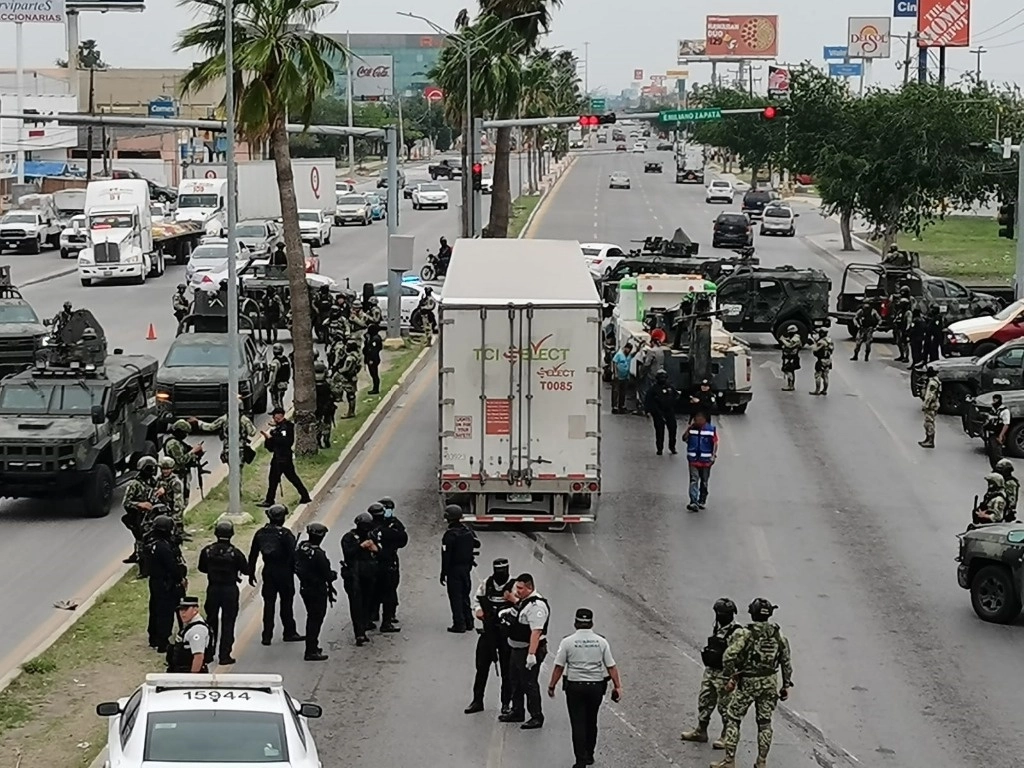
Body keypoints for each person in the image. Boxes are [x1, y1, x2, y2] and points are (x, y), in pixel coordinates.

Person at [712, 598, 794, 768]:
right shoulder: (778, 635)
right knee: (764, 723)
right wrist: (785, 685)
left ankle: (729, 761)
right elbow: (786, 662)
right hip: (769, 682)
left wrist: (730, 677)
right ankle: (761, 761)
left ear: (752, 613)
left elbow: (729, 655)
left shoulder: (745, 633)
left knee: (734, 719)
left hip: (748, 682)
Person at [547, 607, 622, 768]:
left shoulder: (567, 642)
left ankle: (580, 760)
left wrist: (552, 685)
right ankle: (589, 754)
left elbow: (559, 667)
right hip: (596, 687)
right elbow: (611, 667)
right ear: (591, 623)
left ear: (575, 623)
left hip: (575, 687)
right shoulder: (601, 642)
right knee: (591, 720)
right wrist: (618, 687)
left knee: (578, 723)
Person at [681, 598, 740, 749]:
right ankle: (701, 730)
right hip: (711, 672)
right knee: (704, 701)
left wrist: (733, 678)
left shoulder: (736, 632)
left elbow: (738, 657)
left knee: (725, 707)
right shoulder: (718, 628)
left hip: (724, 675)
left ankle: (726, 735)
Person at [247, 504, 305, 646]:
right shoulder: (285, 534)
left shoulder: (260, 533)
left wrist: (251, 573)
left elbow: (253, 554)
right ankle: (289, 632)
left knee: (269, 604)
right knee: (286, 603)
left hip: (268, 572)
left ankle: (267, 636)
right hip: (284, 572)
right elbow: (294, 555)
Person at [466, 557, 516, 715]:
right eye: (497, 570)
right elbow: (476, 600)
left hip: (506, 634)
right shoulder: (487, 583)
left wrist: (512, 600)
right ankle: (477, 701)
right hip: (488, 632)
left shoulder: (515, 585)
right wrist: (478, 610)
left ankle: (506, 704)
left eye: (503, 570)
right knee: (481, 668)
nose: (500, 573)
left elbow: (525, 605)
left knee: (507, 671)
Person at [499, 573, 549, 729]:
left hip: (528, 650)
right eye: (517, 587)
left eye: (520, 588)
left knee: (529, 683)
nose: (517, 591)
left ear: (530, 587)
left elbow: (536, 632)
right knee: (515, 681)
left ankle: (536, 716)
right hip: (516, 649)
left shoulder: (536, 607)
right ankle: (517, 711)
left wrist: (531, 655)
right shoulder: (524, 601)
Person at [197, 520, 248, 665]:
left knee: (211, 621)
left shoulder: (207, 551)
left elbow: (202, 568)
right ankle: (224, 655)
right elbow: (246, 569)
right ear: (232, 534)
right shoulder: (235, 553)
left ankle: (208, 653)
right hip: (230, 589)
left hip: (213, 589)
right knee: (228, 622)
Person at [294, 522, 337, 661]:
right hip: (317, 590)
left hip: (305, 588)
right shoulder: (318, 554)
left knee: (311, 617)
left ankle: (312, 647)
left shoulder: (301, 547)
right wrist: (333, 575)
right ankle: (311, 650)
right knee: (315, 619)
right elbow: (327, 574)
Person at [145, 515, 187, 653]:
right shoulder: (164, 547)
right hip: (166, 582)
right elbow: (172, 566)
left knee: (155, 609)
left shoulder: (150, 542)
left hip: (154, 581)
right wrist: (180, 579)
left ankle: (153, 637)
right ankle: (163, 642)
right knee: (166, 612)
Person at [341, 512, 380, 646]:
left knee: (368, 602)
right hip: (354, 576)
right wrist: (360, 546)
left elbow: (379, 552)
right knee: (356, 604)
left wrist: (375, 549)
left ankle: (365, 624)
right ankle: (359, 633)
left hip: (369, 575)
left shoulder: (372, 536)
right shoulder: (349, 538)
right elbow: (348, 553)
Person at [440, 504, 481, 633]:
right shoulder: (467, 531)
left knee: (455, 597)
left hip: (454, 570)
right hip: (466, 569)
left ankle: (459, 624)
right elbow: (477, 543)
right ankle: (469, 622)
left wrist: (443, 573)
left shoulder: (450, 535)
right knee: (465, 595)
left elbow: (446, 556)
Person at [260, 408, 312, 506]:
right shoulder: (277, 428)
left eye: (275, 415)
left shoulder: (286, 427)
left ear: (280, 415)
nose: (273, 418)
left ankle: (270, 500)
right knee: (275, 479)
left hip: (283, 458)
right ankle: (304, 496)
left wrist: (272, 437)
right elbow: (271, 447)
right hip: (278, 457)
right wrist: (268, 438)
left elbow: (286, 441)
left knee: (285, 478)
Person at [372, 498, 407, 632]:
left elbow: (403, 540)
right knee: (380, 590)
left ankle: (389, 616)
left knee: (390, 589)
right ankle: (376, 615)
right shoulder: (372, 524)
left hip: (387, 560)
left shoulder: (394, 524)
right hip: (378, 562)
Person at [190, 396, 257, 466]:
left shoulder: (224, 418)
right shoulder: (244, 420)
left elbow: (211, 427)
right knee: (239, 469)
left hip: (227, 449)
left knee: (231, 468)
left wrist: (199, 422)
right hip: (240, 449)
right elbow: (252, 433)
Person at [121, 455, 159, 564]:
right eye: (150, 468)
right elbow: (126, 502)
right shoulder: (135, 484)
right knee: (140, 538)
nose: (152, 471)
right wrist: (140, 504)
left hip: (151, 515)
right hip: (138, 516)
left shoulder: (153, 482)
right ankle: (141, 560)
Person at [165, 597, 215, 673]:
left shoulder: (197, 630)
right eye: (181, 610)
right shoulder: (188, 625)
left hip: (188, 673)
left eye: (186, 609)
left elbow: (198, 657)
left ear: (195, 610)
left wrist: (192, 678)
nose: (182, 613)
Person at [162, 419, 204, 507]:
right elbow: (181, 460)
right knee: (179, 501)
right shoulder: (173, 444)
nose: (186, 435)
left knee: (185, 497)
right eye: (185, 433)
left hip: (182, 475)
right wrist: (193, 451)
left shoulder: (178, 442)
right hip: (177, 475)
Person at [686, 411, 718, 512]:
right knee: (694, 480)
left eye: (699, 419)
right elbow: (684, 438)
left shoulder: (710, 430)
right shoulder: (692, 429)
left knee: (704, 481)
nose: (697, 421)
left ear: (704, 420)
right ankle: (693, 501)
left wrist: (713, 456)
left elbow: (715, 443)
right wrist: (689, 429)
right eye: (696, 419)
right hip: (693, 460)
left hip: (705, 461)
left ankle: (702, 500)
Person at [645, 369, 679, 456]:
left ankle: (672, 447)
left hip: (669, 412)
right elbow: (648, 400)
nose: (662, 379)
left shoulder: (670, 388)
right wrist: (648, 411)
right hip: (658, 412)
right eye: (661, 377)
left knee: (673, 430)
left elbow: (676, 397)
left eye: (664, 377)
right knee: (659, 432)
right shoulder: (653, 389)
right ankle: (659, 448)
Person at [636, 331, 667, 414]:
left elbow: (647, 364)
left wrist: (641, 372)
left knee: (644, 390)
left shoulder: (652, 351)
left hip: (651, 374)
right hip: (659, 374)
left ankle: (644, 408)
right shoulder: (661, 351)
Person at [984, 393, 1012, 468]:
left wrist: (1001, 435)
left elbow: (1006, 424)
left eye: (995, 400)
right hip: (991, 433)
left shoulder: (1005, 411)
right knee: (991, 454)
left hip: (998, 434)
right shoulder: (993, 409)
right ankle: (994, 468)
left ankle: (1001, 470)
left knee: (997, 454)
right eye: (993, 399)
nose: (994, 401)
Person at [337, 340, 362, 419]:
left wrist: (339, 371)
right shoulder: (357, 355)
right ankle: (351, 411)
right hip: (353, 377)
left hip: (349, 378)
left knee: (350, 395)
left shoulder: (350, 358)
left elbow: (346, 369)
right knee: (352, 395)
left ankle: (350, 412)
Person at [313, 361, 336, 449]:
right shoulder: (329, 382)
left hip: (316, 407)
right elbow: (336, 393)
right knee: (327, 423)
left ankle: (318, 440)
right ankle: (326, 439)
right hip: (328, 406)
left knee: (317, 423)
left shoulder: (311, 384)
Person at [918, 366, 941, 449]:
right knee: (928, 422)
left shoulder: (932, 383)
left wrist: (925, 405)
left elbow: (929, 396)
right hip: (933, 404)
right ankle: (927, 439)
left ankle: (930, 440)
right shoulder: (936, 380)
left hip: (931, 405)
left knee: (929, 422)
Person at [610, 342, 635, 414]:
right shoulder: (619, 354)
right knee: (616, 391)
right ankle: (615, 406)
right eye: (628, 349)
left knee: (623, 392)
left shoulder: (628, 355)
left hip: (625, 377)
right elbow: (614, 363)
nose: (629, 351)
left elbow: (634, 354)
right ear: (625, 348)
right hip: (618, 377)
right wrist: (615, 373)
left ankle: (621, 405)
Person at [891, 286, 914, 362]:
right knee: (898, 341)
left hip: (904, 325)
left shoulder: (908, 310)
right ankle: (901, 355)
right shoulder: (900, 309)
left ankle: (906, 357)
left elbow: (909, 320)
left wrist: (907, 329)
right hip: (899, 325)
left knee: (904, 342)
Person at [809, 328, 833, 396]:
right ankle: (825, 390)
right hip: (828, 360)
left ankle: (817, 390)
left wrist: (813, 345)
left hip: (821, 360)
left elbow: (815, 350)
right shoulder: (830, 341)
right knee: (825, 376)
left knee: (818, 375)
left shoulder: (821, 342)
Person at [778, 325, 802, 391]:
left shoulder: (796, 339)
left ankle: (791, 386)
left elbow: (790, 346)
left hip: (792, 357)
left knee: (789, 371)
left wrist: (783, 340)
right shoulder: (793, 338)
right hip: (789, 357)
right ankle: (790, 385)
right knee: (789, 371)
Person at [268, 343, 291, 412]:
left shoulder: (275, 361)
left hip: (277, 384)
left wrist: (271, 384)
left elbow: (273, 374)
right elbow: (289, 371)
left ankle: (279, 413)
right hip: (285, 383)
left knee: (276, 400)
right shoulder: (286, 359)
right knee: (280, 398)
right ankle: (279, 411)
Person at [363, 323, 384, 395]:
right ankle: (375, 388)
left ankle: (376, 389)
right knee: (372, 374)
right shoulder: (372, 338)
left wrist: (371, 359)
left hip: (373, 359)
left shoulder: (375, 339)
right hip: (370, 358)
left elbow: (374, 351)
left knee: (374, 374)